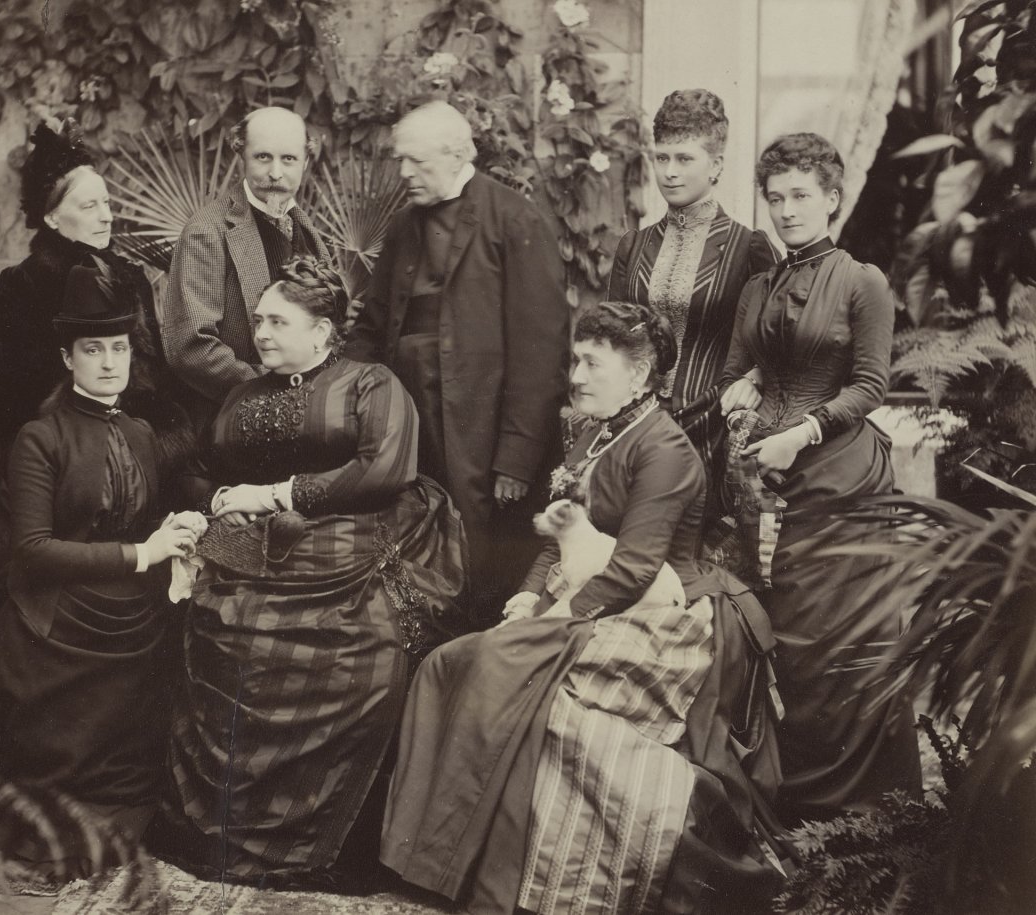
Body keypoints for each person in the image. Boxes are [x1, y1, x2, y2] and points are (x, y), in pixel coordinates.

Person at [380, 302, 783, 915]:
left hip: (666, 615)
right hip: (594, 598)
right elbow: (559, 536)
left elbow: (636, 567)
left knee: (501, 669)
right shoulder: (597, 432)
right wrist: (528, 595)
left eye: (593, 363)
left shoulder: (665, 451)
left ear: (641, 374)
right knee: (448, 661)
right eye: (576, 360)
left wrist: (556, 617)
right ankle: (433, 860)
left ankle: (493, 877)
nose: (577, 376)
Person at [150, 256, 467, 888]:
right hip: (258, 552)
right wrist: (218, 500)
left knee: (366, 651)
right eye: (259, 320)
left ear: (322, 332)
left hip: (359, 544)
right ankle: (229, 831)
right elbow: (203, 465)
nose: (261, 333)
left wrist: (276, 495)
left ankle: (329, 841)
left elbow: (387, 470)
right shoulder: (244, 394)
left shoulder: (369, 384)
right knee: (221, 627)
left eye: (277, 321)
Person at [0, 263, 206, 874]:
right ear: (68, 357)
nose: (110, 363)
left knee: (137, 772)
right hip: (55, 628)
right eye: (93, 350)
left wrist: (175, 537)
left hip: (129, 624)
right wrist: (142, 554)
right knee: (42, 806)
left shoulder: (141, 434)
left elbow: (144, 527)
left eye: (119, 349)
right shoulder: (40, 438)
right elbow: (32, 550)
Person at [0, 119, 190, 706]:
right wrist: (82, 425)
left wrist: (135, 429)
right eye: (89, 204)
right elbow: (8, 390)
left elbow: (150, 371)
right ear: (52, 217)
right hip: (44, 441)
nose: (106, 215)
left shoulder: (127, 276)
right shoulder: (21, 284)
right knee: (2, 561)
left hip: (132, 431)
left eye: (107, 202)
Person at [718, 132, 921, 824]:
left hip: (840, 478)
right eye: (775, 198)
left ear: (832, 200)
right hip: (767, 483)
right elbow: (739, 367)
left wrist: (800, 433)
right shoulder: (756, 284)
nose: (786, 210)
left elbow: (870, 386)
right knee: (785, 643)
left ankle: (859, 808)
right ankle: (794, 803)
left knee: (836, 641)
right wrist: (742, 387)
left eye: (800, 195)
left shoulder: (863, 281)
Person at [345, 101, 570, 623]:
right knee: (418, 550)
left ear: (455, 154)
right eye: (401, 160)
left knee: (485, 564)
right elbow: (373, 327)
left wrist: (517, 456)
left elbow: (543, 347)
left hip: (485, 431)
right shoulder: (403, 227)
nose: (404, 174)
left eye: (416, 162)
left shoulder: (514, 218)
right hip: (412, 423)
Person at [607, 89, 778, 485]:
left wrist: (753, 379)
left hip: (711, 427)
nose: (670, 172)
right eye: (662, 158)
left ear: (716, 165)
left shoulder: (747, 248)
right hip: (634, 423)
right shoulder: (634, 246)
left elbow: (771, 345)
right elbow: (611, 339)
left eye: (685, 159)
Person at [161, 106, 330, 427]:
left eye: (289, 159)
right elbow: (191, 345)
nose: (276, 173)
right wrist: (268, 391)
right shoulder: (208, 231)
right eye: (263, 157)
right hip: (227, 415)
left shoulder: (306, 228)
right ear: (242, 156)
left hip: (304, 410)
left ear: (306, 162)